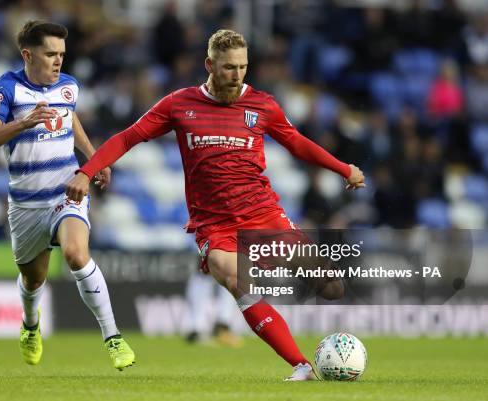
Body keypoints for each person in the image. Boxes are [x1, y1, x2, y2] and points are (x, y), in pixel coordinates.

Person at [68, 29, 365, 380]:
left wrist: (343, 168)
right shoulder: (179, 104)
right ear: (210, 64)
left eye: (242, 67)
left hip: (263, 214)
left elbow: (297, 143)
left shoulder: (263, 105)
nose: (237, 75)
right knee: (233, 277)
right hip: (215, 226)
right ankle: (301, 365)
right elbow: (128, 137)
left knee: (331, 288)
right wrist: (87, 171)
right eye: (228, 68)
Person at [0, 20, 135, 370]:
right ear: (28, 55)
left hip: (66, 190)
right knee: (34, 279)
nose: (58, 61)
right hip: (26, 204)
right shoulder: (7, 89)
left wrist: (93, 158)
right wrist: (23, 123)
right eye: (50, 54)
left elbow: (70, 117)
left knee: (77, 255)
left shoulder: (69, 86)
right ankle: (31, 326)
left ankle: (113, 336)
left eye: (62, 54)